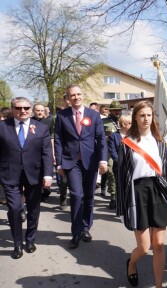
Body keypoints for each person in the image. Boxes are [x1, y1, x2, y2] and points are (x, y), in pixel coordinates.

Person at [116, 101, 167, 288]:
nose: (146, 119)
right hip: (136, 192)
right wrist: (122, 207)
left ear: (153, 118)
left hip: (157, 191)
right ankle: (132, 264)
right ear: (135, 118)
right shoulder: (126, 143)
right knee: (144, 247)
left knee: (159, 244)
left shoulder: (161, 142)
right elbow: (121, 176)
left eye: (149, 115)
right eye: (142, 115)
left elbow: (166, 172)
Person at [54, 84, 108, 249]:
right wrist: (59, 163)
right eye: (72, 95)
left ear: (82, 95)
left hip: (90, 161)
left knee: (89, 196)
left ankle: (86, 227)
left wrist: (103, 160)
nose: (76, 97)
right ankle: (76, 233)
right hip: (71, 162)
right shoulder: (62, 116)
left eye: (78, 94)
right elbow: (58, 140)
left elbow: (101, 139)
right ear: (68, 98)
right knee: (77, 195)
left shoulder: (94, 115)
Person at [0, 97, 53, 259]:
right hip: (9, 175)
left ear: (30, 109)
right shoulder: (2, 127)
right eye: (18, 108)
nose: (22, 111)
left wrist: (48, 174)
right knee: (15, 208)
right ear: (13, 109)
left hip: (34, 175)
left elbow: (46, 154)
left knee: (33, 208)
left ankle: (30, 239)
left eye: (26, 108)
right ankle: (17, 244)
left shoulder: (41, 128)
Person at [108, 114, 131, 209]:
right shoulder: (114, 136)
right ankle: (120, 205)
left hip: (131, 165)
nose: (133, 125)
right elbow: (112, 151)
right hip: (119, 166)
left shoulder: (133, 135)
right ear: (124, 124)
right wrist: (120, 162)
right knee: (120, 186)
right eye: (130, 123)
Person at [100, 100, 122, 199]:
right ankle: (113, 194)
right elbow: (99, 135)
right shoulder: (104, 122)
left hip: (122, 148)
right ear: (110, 111)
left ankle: (121, 193)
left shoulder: (124, 120)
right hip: (109, 149)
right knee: (111, 170)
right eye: (115, 110)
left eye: (119, 110)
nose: (117, 112)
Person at [33, 103, 55, 203]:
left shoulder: (48, 121)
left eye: (42, 111)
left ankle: (45, 192)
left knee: (45, 171)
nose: (40, 112)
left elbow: (52, 136)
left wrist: (53, 151)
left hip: (45, 150)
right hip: (33, 151)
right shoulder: (30, 121)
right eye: (38, 110)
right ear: (33, 111)